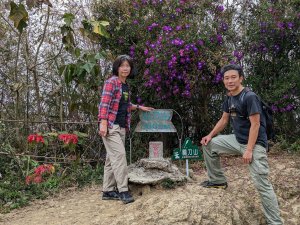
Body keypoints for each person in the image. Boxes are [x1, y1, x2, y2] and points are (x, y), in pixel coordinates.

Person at [200, 64, 283, 224]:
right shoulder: (229, 96)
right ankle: (218, 181)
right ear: (223, 80)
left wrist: (249, 150)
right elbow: (224, 120)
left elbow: (256, 125)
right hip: (237, 139)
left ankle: (275, 222)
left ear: (241, 78)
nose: (230, 81)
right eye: (226, 78)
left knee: (262, 184)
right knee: (209, 145)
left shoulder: (249, 96)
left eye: (233, 77)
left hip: (255, 143)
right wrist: (209, 135)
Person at [98, 55, 153, 204]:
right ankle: (123, 190)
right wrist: (103, 123)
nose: (125, 68)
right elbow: (104, 104)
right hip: (110, 126)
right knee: (120, 156)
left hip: (121, 127)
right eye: (122, 65)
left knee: (112, 159)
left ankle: (108, 191)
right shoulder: (112, 82)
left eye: (128, 66)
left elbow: (123, 105)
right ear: (117, 67)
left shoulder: (125, 85)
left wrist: (139, 107)